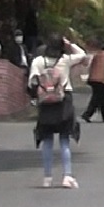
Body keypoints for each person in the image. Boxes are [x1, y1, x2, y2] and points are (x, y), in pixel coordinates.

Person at [28, 34, 86, 188]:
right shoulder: (65, 60)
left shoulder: (38, 61)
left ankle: (47, 177)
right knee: (64, 140)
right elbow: (82, 55)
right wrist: (69, 44)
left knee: (47, 140)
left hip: (45, 103)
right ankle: (67, 176)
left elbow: (31, 82)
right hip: (63, 101)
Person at [81, 41, 104, 123]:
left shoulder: (95, 55)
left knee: (100, 97)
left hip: (93, 79)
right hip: (103, 79)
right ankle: (87, 114)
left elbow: (87, 65)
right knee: (97, 98)